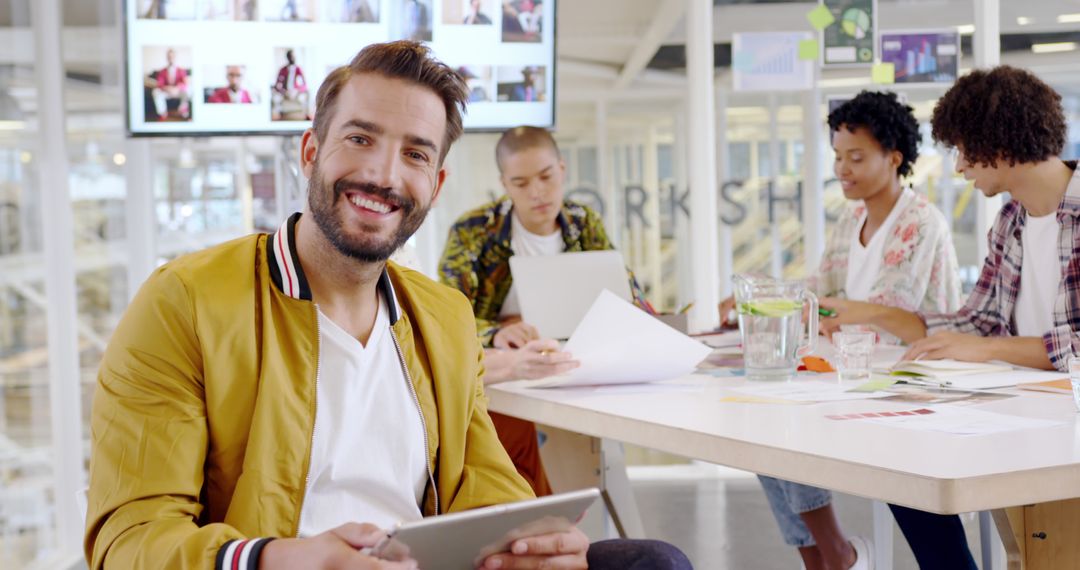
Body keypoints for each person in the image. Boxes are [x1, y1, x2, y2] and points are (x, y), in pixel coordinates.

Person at [86, 40, 690, 570]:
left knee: (654, 560)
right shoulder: (185, 302)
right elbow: (130, 538)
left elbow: (484, 485)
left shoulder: (444, 317)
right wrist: (278, 557)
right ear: (310, 150)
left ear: (436, 185)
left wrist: (534, 542)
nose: (383, 174)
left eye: (416, 154)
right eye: (360, 139)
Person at [821, 66, 1080, 569]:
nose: (959, 167)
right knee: (900, 456)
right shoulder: (1011, 221)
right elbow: (976, 321)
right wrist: (917, 334)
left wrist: (987, 349)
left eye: (963, 150)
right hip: (1024, 412)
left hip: (1065, 428)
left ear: (999, 145)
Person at [718, 91, 960, 570]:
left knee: (785, 420)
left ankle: (836, 555)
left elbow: (887, 313)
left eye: (856, 157)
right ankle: (824, 557)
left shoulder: (920, 222)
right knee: (765, 423)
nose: (842, 169)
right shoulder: (852, 220)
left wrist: (827, 312)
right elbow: (822, 288)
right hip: (861, 373)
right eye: (837, 157)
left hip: (911, 378)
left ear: (894, 159)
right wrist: (762, 293)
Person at [438, 126, 645, 496]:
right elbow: (449, 314)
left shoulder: (583, 223)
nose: (537, 192)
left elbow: (623, 293)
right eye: (520, 183)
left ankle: (569, 508)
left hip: (571, 362)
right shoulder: (473, 230)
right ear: (504, 184)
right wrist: (496, 332)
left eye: (546, 177)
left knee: (589, 457)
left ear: (562, 169)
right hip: (503, 372)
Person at [151, 47, 190, 121]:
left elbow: (185, 83)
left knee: (189, 90)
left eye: (172, 56)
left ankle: (182, 110)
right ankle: (162, 113)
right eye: (169, 56)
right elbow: (159, 84)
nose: (171, 58)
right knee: (155, 91)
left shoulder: (181, 70)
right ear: (167, 57)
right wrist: (167, 88)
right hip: (167, 92)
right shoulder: (162, 71)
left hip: (178, 92)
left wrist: (177, 88)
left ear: (175, 57)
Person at [272, 49, 309, 120]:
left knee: (305, 97)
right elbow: (277, 85)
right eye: (291, 56)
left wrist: (297, 91)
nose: (292, 58)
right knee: (276, 99)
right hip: (284, 93)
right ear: (287, 57)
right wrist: (284, 91)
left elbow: (304, 84)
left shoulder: (298, 69)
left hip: (296, 93)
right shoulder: (282, 70)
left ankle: (306, 116)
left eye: (294, 56)